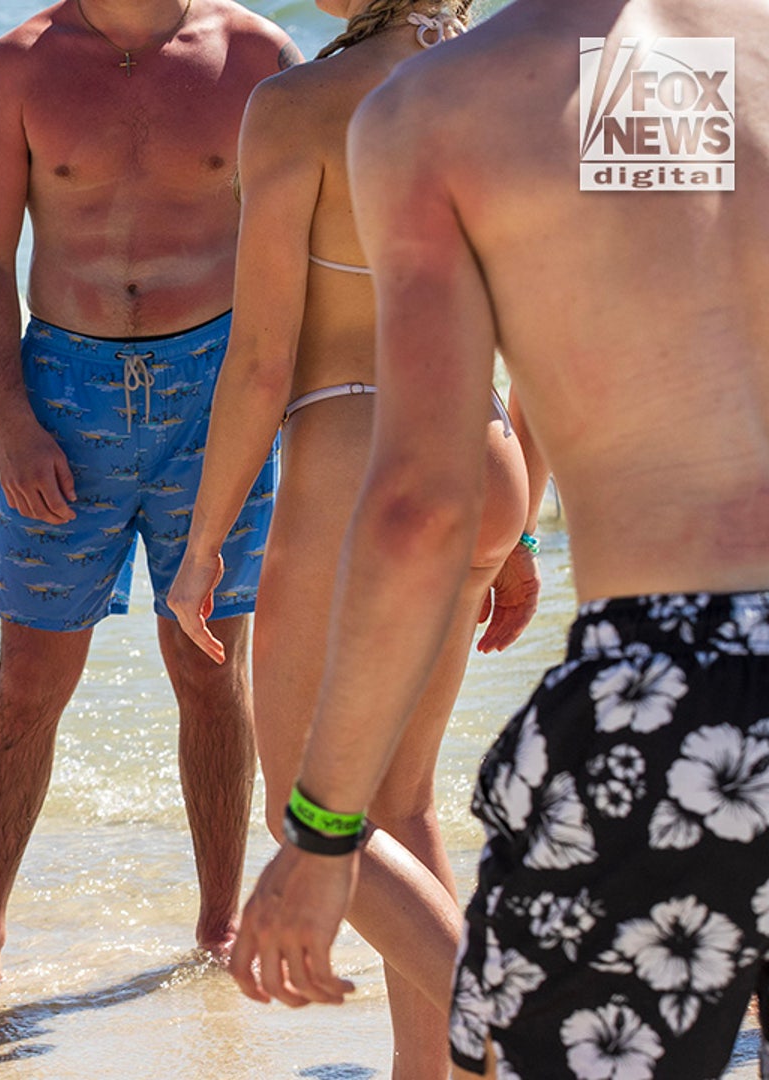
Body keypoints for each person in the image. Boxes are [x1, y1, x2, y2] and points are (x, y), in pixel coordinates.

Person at [229, 0, 769, 1076]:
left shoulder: (439, 106)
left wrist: (323, 828)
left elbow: (423, 505)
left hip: (679, 685)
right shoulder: (715, 49)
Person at [163, 2, 544, 1073]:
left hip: (360, 464)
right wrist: (519, 523)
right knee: (400, 801)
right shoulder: (507, 76)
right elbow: (544, 326)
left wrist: (204, 542)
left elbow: (260, 361)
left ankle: (511, 1036)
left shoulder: (297, 106)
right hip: (484, 450)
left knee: (309, 809)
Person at [0, 0, 301, 992]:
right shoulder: (16, 67)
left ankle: (219, 925)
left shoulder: (257, 55)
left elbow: (308, 250)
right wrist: (11, 417)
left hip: (217, 395)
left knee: (211, 667)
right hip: (62, 396)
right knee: (30, 683)